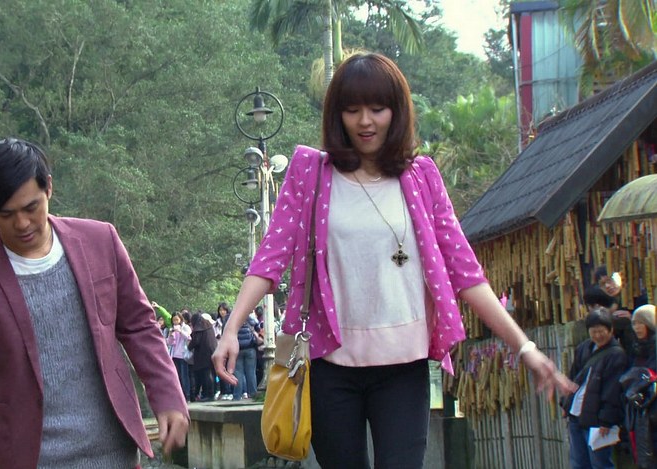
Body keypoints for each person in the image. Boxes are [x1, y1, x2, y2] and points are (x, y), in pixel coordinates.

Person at [212, 52, 575, 468]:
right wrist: (231, 328)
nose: (365, 121)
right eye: (352, 110)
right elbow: (270, 258)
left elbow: (466, 273)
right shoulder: (310, 173)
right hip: (330, 365)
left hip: (404, 367)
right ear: (337, 115)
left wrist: (524, 347)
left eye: (377, 109)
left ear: (396, 111)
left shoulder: (422, 177)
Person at [0, 138, 188, 469]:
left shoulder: (100, 241)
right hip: (27, 459)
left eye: (31, 207)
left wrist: (167, 395)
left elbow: (139, 325)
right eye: (6, 214)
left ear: (48, 187)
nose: (22, 224)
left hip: (115, 454)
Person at [561, 308, 628, 469]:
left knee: (600, 463)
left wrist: (606, 420)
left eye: (601, 331)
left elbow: (613, 390)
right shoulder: (583, 348)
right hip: (576, 414)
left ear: (610, 330)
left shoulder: (616, 355)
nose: (598, 335)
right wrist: (566, 403)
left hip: (597, 420)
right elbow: (573, 377)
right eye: (593, 331)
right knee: (578, 463)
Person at [621, 304, 657, 467]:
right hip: (639, 412)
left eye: (640, 322)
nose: (636, 327)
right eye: (634, 323)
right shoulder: (635, 348)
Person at [188, 312, 218, 401]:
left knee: (206, 375)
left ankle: (209, 394)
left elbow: (196, 341)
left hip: (203, 355)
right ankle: (210, 393)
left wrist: (189, 347)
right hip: (212, 352)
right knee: (210, 374)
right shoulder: (208, 327)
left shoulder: (199, 329)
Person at [167, 312, 192, 401]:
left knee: (184, 376)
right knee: (177, 376)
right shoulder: (172, 329)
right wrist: (171, 334)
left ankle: (187, 395)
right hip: (174, 355)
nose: (175, 322)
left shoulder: (185, 327)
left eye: (177, 320)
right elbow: (169, 343)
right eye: (174, 320)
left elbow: (188, 337)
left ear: (181, 319)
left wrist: (180, 331)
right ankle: (179, 395)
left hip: (182, 355)